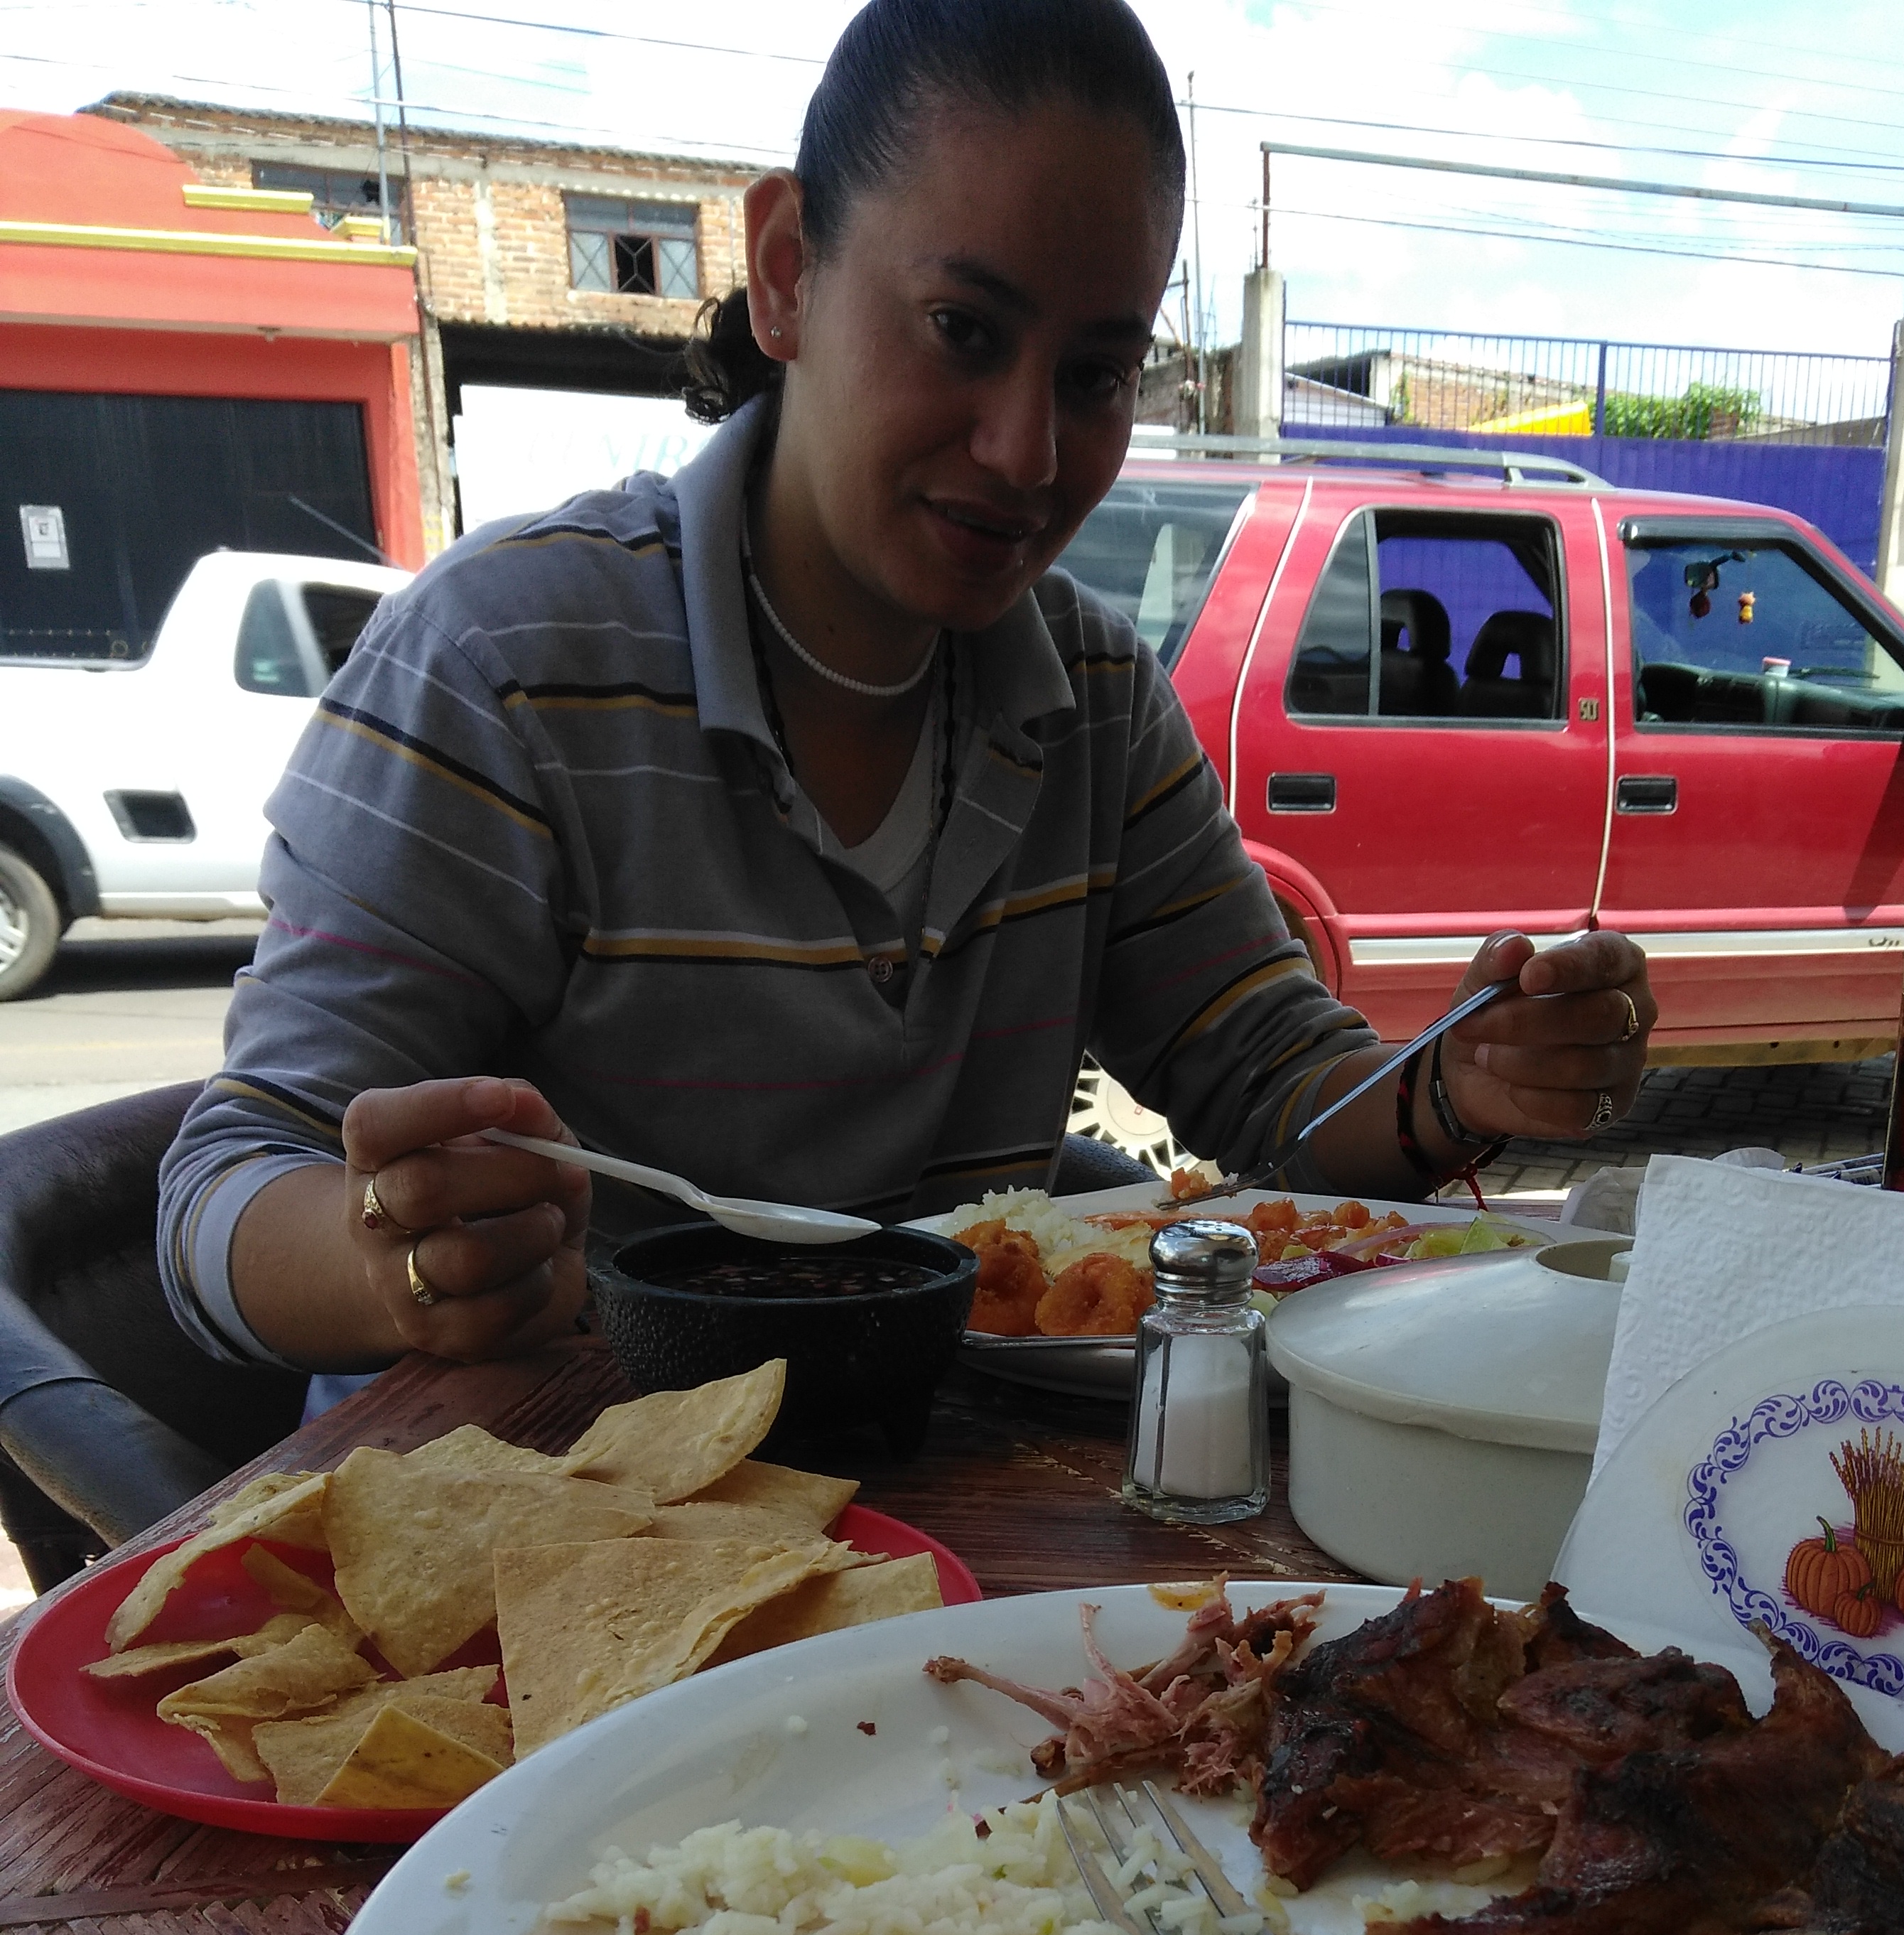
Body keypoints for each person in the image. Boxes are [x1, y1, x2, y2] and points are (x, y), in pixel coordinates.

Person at [158, 0, 1654, 1379]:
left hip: (920, 1525)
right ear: (789, 269)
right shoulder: (501, 671)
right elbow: (224, 1187)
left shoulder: (1095, 696)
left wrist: (1465, 1080)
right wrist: (396, 1265)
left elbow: (1275, 1093)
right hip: (546, 1534)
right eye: (965, 330)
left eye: (1097, 374)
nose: (1028, 451)